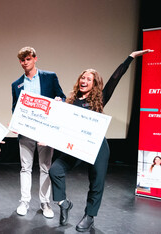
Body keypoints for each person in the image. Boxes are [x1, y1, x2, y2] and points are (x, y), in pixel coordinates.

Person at [49, 49, 153, 232]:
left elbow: (115, 78)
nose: (84, 81)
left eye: (89, 79)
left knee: (96, 182)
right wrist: (57, 106)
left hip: (97, 147)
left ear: (95, 84)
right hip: (76, 146)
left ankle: (89, 216)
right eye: (83, 77)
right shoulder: (71, 101)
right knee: (55, 169)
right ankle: (63, 203)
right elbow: (61, 125)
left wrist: (130, 57)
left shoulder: (100, 99)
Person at [11, 47, 66, 218]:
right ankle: (24, 201)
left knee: (45, 167)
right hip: (26, 131)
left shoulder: (50, 77)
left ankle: (45, 203)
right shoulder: (16, 84)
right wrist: (15, 122)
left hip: (45, 131)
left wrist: (59, 101)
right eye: (22, 60)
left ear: (35, 58)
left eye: (28, 59)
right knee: (25, 168)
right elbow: (15, 108)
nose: (25, 62)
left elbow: (62, 97)